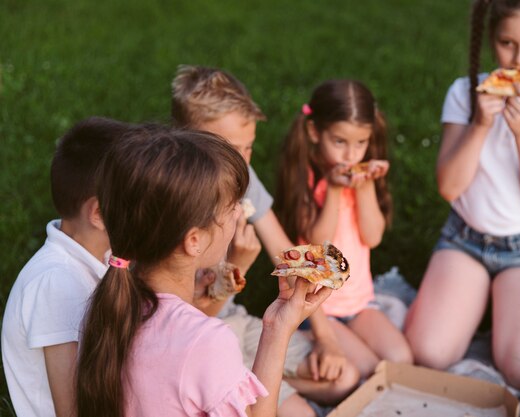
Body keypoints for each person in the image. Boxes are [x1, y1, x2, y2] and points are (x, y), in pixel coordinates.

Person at [75, 126, 331, 417]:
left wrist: (275, 325)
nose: (239, 213)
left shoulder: (106, 309)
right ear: (194, 241)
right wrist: (280, 329)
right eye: (231, 206)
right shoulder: (205, 341)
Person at [403, 0, 520, 390]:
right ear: (492, 38)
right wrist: (480, 124)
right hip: (465, 239)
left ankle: (508, 309)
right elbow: (449, 187)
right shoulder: (464, 92)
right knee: (429, 352)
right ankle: (481, 302)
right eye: (508, 43)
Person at [171, 66, 359, 416]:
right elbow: (181, 323)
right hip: (199, 340)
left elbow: (286, 252)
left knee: (343, 376)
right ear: (186, 139)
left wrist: (326, 338)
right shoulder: (173, 203)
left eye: (249, 147)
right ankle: (241, 390)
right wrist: (236, 270)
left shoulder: (241, 176)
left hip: (236, 324)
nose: (242, 161)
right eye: (229, 148)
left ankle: (250, 387)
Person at [275, 79, 414, 378]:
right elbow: (318, 243)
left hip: (359, 301)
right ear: (314, 132)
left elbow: (372, 237)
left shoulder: (360, 180)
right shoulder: (307, 181)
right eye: (340, 142)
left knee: (401, 358)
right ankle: (309, 339)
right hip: (320, 307)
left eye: (361, 143)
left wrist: (365, 189)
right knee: (365, 370)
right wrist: (334, 191)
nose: (351, 155)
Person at [1, 117, 132, 417]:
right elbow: (73, 410)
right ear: (99, 213)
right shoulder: (57, 284)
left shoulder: (94, 262)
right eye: (139, 198)